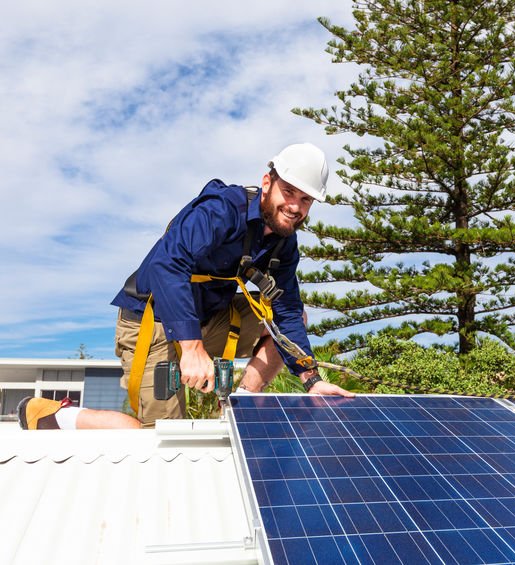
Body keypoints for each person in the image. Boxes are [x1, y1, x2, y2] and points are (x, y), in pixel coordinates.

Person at [18, 143, 353, 430]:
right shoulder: (221, 210)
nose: (295, 206)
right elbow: (168, 264)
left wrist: (312, 379)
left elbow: (287, 311)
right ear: (267, 183)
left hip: (208, 319)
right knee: (160, 437)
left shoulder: (284, 245)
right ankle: (55, 416)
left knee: (295, 317)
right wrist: (192, 349)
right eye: (289, 192)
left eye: (306, 199)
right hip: (154, 322)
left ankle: (240, 404)